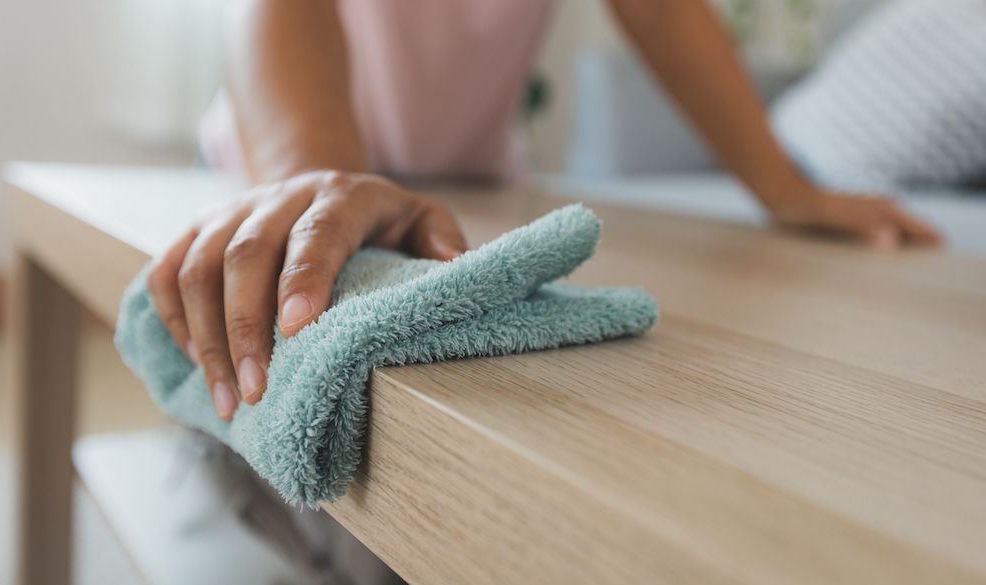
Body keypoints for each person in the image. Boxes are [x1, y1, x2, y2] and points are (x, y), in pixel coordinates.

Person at [149, 0, 941, 425]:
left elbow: (662, 10)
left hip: (467, 186)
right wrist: (316, 177)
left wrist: (781, 184)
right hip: (271, 169)